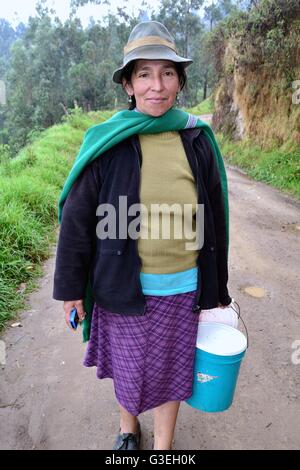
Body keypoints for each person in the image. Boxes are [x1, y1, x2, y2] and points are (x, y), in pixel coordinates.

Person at [53, 20, 232, 451]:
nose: (157, 85)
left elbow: (216, 218)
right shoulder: (108, 142)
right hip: (123, 284)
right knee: (131, 369)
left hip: (183, 285)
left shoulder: (196, 138)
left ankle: (165, 449)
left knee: (173, 369)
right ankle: (128, 430)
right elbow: (78, 219)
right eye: (145, 74)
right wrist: (72, 288)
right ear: (129, 85)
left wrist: (217, 285)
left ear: (179, 82)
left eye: (167, 73)